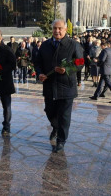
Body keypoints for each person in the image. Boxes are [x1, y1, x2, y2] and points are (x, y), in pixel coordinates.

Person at [35, 19, 83, 153]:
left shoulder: (73, 45)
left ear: (65, 29)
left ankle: (61, 140)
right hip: (49, 86)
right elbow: (37, 62)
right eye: (55, 28)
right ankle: (55, 127)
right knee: (49, 111)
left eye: (60, 28)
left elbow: (80, 62)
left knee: (64, 115)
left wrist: (68, 70)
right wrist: (40, 73)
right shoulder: (45, 45)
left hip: (66, 87)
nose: (57, 31)